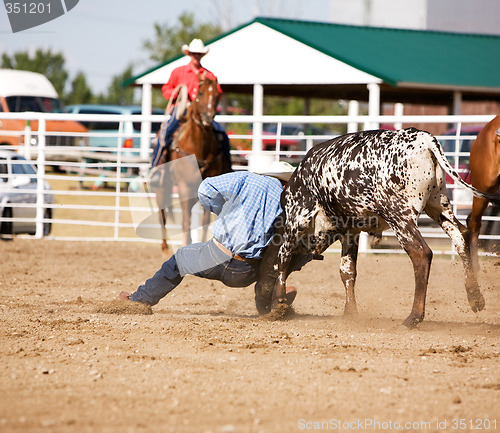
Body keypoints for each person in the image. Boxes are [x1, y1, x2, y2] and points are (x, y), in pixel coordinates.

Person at [120, 161, 307, 308]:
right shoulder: (288, 201)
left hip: (215, 257)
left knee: (177, 262)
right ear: (286, 183)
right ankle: (272, 299)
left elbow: (205, 189)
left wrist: (222, 211)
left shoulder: (247, 178)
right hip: (247, 272)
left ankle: (140, 300)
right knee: (282, 259)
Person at [151, 38, 232, 168]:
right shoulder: (179, 72)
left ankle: (227, 168)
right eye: (194, 53)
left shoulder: (209, 76)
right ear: (189, 54)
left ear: (202, 55)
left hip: (202, 112)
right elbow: (166, 89)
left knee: (222, 135)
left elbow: (218, 93)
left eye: (199, 54)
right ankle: (155, 168)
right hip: (181, 109)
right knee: (165, 134)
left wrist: (208, 104)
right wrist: (179, 94)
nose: (196, 56)